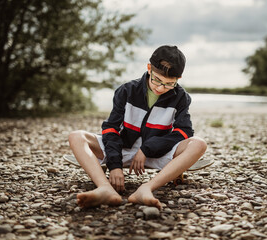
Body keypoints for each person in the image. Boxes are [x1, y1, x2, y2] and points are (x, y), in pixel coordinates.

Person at [68, 45, 207, 209]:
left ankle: (146, 188)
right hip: (122, 149)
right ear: (149, 68)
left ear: (178, 78)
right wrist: (114, 165)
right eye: (157, 80)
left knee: (198, 143)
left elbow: (183, 132)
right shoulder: (127, 91)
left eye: (169, 84)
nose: (160, 88)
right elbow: (111, 129)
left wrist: (147, 149)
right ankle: (104, 188)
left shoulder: (181, 97)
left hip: (157, 154)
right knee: (76, 136)